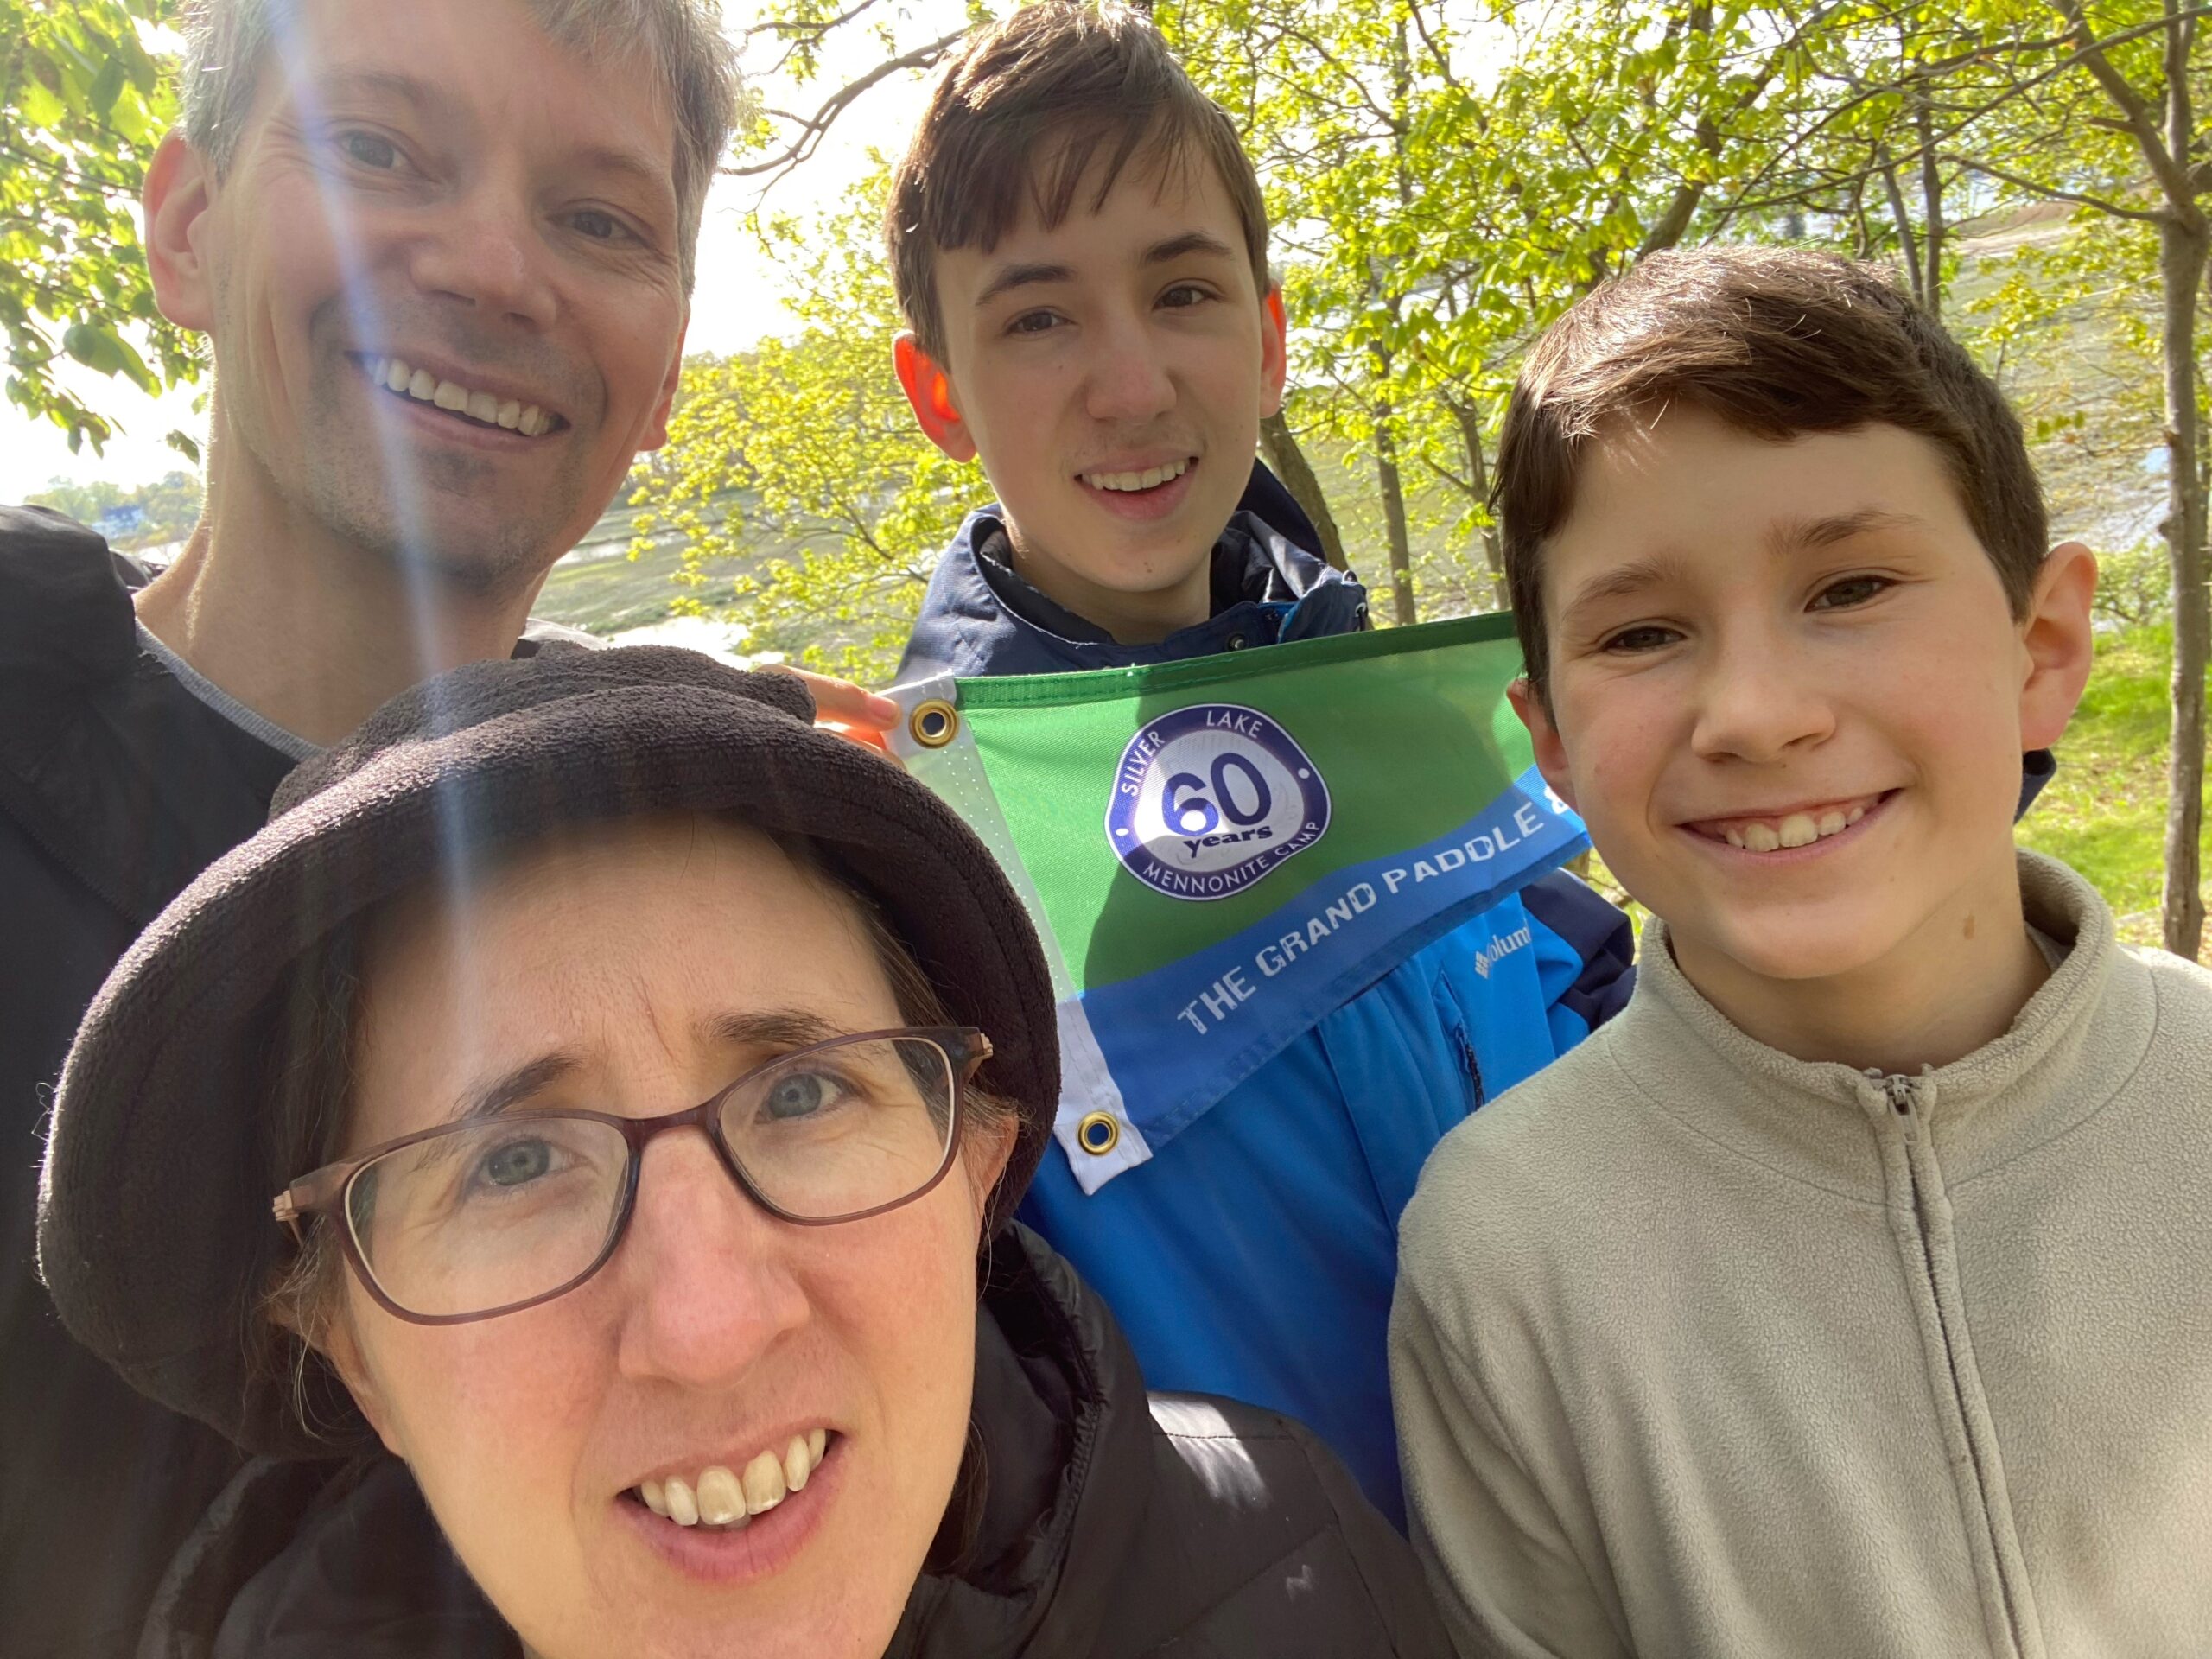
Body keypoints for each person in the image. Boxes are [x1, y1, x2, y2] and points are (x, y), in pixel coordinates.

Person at [0, 4, 889, 1650]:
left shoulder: (750, 870)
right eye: (378, 149)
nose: (493, 268)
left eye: (599, 218)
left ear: (667, 372)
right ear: (187, 226)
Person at [36, 645, 1450, 1659]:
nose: (710, 1328)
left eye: (802, 1094)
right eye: (512, 1165)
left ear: (975, 1164)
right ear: (354, 1352)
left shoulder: (1297, 1557)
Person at [1389, 246, 2212, 1656]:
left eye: (1851, 587)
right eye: (1644, 632)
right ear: (1552, 742)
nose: (1756, 715)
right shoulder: (1503, 1252)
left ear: (2041, 645)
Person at [880, 1, 1633, 1524]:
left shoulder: (1407, 718)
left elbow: (1598, 1009)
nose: (1132, 383)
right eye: (1037, 319)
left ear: (1272, 341)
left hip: (1612, 1557)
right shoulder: (920, 861)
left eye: (1183, 293)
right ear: (939, 393)